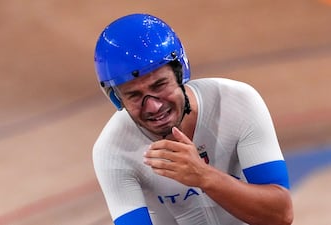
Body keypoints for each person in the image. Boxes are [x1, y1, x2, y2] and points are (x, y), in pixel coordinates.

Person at [92, 13, 293, 225]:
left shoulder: (237, 102)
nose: (153, 106)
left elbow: (281, 215)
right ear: (117, 98)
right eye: (134, 95)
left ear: (181, 73)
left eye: (159, 85)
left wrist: (205, 177)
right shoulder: (112, 150)